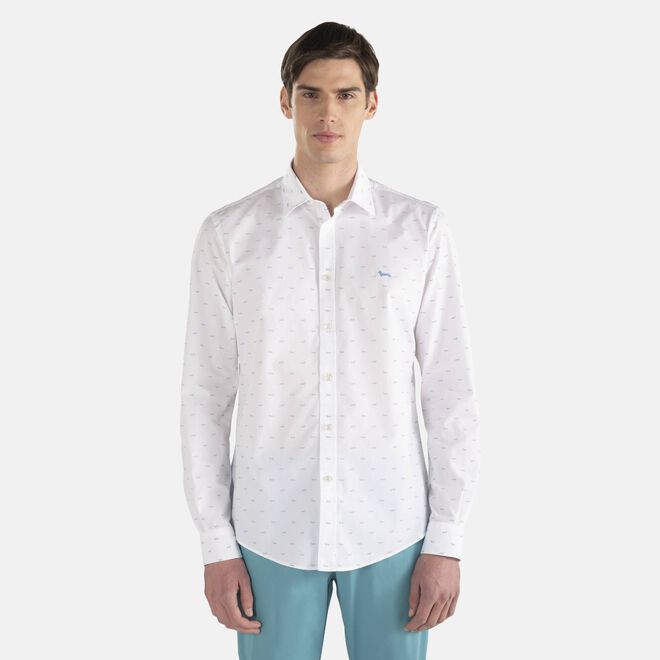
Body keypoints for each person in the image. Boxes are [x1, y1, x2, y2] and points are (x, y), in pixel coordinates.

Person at [180, 21, 481, 660]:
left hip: (393, 528)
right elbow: (205, 399)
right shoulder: (229, 235)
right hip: (269, 529)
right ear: (284, 101)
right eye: (311, 93)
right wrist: (216, 544)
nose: (327, 113)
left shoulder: (419, 230)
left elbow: (451, 392)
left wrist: (447, 539)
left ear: (371, 104)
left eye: (345, 94)